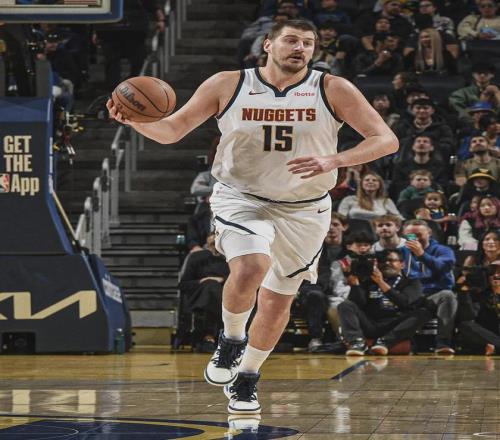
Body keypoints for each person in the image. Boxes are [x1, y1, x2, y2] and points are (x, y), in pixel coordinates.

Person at [107, 19, 399, 415]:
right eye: (292, 40)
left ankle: (247, 377)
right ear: (268, 44)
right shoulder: (228, 84)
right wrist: (134, 119)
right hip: (241, 197)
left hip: (305, 208)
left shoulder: (332, 88)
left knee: (277, 301)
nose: (301, 48)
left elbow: (386, 139)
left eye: (308, 43)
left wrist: (335, 159)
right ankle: (230, 340)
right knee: (251, 266)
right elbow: (172, 130)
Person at [338, 249, 433, 355]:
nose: (387, 263)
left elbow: (404, 302)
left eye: (392, 260)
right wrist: (355, 284)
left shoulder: (411, 282)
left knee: (423, 312)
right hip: (371, 324)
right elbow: (358, 303)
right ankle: (357, 342)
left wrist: (381, 282)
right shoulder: (367, 281)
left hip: (394, 325)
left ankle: (385, 341)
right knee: (345, 305)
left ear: (402, 265)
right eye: (382, 261)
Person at [402, 219, 457, 354]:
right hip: (410, 295)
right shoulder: (401, 251)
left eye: (419, 235)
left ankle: (443, 343)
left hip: (434, 294)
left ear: (429, 233)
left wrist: (422, 255)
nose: (415, 239)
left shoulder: (444, 250)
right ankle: (393, 341)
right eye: (411, 235)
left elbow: (442, 267)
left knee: (447, 296)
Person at [296, 212, 348, 351]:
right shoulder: (311, 248)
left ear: (344, 227)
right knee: (315, 295)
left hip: (343, 288)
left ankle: (350, 339)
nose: (331, 228)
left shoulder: (351, 248)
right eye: (327, 224)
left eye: (336, 224)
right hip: (317, 289)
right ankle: (316, 338)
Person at [178, 233, 230, 352]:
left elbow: (240, 280)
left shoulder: (231, 259)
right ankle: (223, 335)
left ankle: (209, 337)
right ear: (207, 243)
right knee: (211, 288)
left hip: (226, 293)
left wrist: (222, 280)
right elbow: (183, 284)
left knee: (214, 292)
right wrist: (201, 281)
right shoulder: (196, 258)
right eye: (212, 244)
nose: (215, 247)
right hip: (200, 296)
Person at [456, 259, 500, 355]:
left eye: (499, 272)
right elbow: (469, 317)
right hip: (489, 335)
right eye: (492, 272)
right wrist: (464, 292)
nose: (496, 275)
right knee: (465, 326)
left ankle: (495, 347)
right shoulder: (480, 295)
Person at [338, 172, 402, 221]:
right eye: (367, 180)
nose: (370, 182)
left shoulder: (386, 201)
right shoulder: (349, 199)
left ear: (380, 185)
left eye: (374, 180)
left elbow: (398, 218)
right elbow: (340, 218)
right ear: (361, 184)